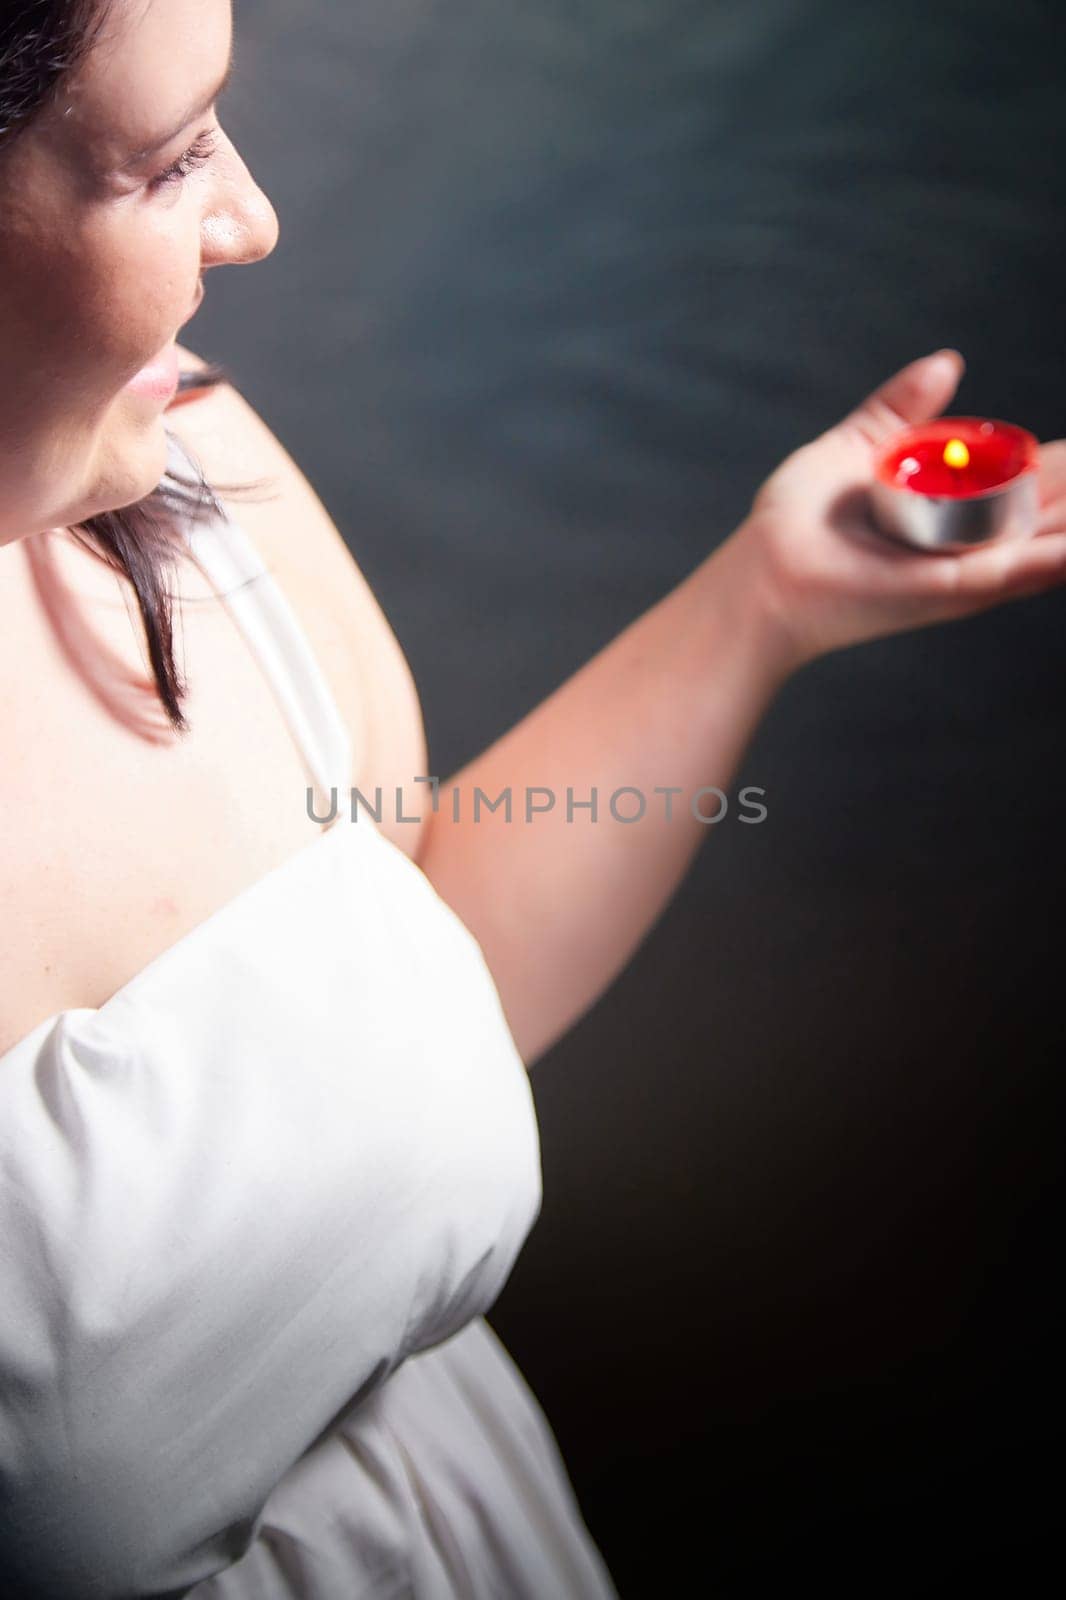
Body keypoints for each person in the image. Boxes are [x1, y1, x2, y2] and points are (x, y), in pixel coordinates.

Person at [2, 0, 1064, 1595]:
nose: (252, 216)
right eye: (160, 163)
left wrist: (763, 602)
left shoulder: (173, 449)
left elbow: (415, 1003)